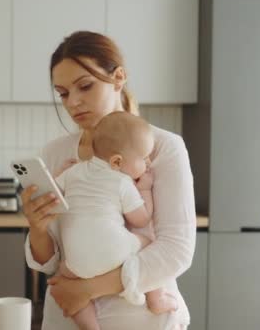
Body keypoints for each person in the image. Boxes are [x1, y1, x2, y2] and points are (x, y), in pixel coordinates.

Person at [22, 30, 196, 330]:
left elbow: (176, 251)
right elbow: (48, 262)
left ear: (118, 78)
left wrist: (87, 289)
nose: (73, 102)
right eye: (63, 93)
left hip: (142, 320)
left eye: (85, 86)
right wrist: (37, 227)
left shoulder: (163, 147)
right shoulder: (55, 154)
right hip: (66, 321)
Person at [52, 111, 177, 330]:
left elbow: (53, 192)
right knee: (148, 244)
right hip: (114, 252)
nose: (148, 163)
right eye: (143, 158)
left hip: (76, 262)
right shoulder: (122, 182)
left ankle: (90, 326)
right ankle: (156, 299)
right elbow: (141, 219)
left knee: (65, 275)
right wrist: (145, 188)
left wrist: (60, 173)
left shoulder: (75, 172)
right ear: (117, 161)